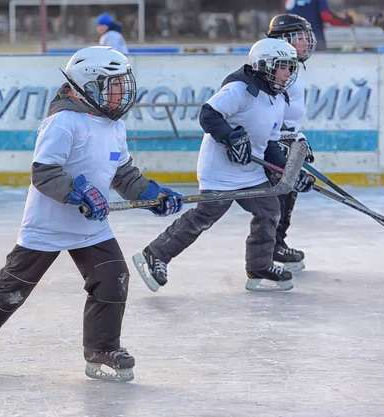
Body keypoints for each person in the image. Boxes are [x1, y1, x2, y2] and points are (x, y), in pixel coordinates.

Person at [0, 46, 183, 382]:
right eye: (114, 85)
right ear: (90, 84)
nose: (122, 93)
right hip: (48, 226)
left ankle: (103, 347)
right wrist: (79, 192)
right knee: (11, 290)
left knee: (113, 277)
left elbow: (122, 174)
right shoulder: (64, 121)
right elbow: (44, 173)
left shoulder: (114, 126)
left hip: (91, 227)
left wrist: (151, 195)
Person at [133, 38, 316, 293]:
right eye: (282, 67)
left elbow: (271, 146)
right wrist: (230, 137)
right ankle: (155, 254)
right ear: (264, 65)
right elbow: (208, 114)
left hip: (251, 173)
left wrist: (290, 172)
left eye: (290, 68)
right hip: (220, 171)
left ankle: (259, 267)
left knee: (269, 210)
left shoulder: (276, 99)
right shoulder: (240, 89)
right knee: (206, 215)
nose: (288, 74)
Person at [265, 14, 317, 272]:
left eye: (307, 36)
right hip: (275, 143)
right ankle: (271, 246)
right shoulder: (275, 66)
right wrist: (285, 140)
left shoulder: (295, 66)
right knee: (279, 195)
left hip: (287, 140)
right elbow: (268, 109)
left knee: (289, 192)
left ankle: (277, 242)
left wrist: (299, 139)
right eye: (300, 37)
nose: (306, 42)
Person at [284, 0, 353, 51]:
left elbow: (285, 18)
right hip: (314, 41)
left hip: (293, 43)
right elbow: (326, 16)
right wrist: (345, 22)